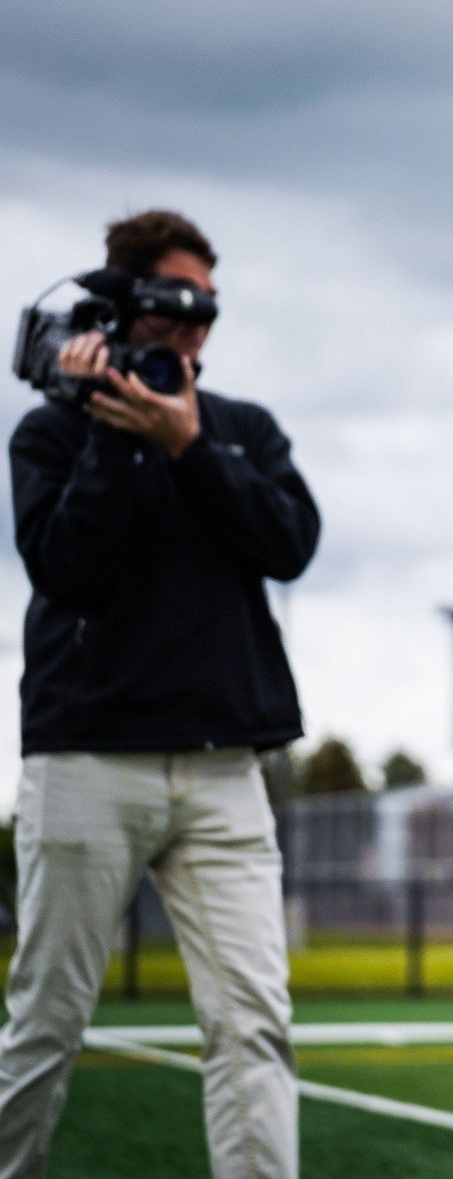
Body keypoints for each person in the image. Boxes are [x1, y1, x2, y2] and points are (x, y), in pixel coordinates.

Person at [0, 209, 319, 1179]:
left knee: (253, 1022)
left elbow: (288, 541)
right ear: (125, 297)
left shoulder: (241, 430)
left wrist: (187, 442)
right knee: (48, 1020)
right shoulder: (51, 432)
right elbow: (69, 569)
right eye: (178, 301)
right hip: (89, 758)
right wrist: (117, 434)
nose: (195, 324)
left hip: (226, 768)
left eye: (210, 307)